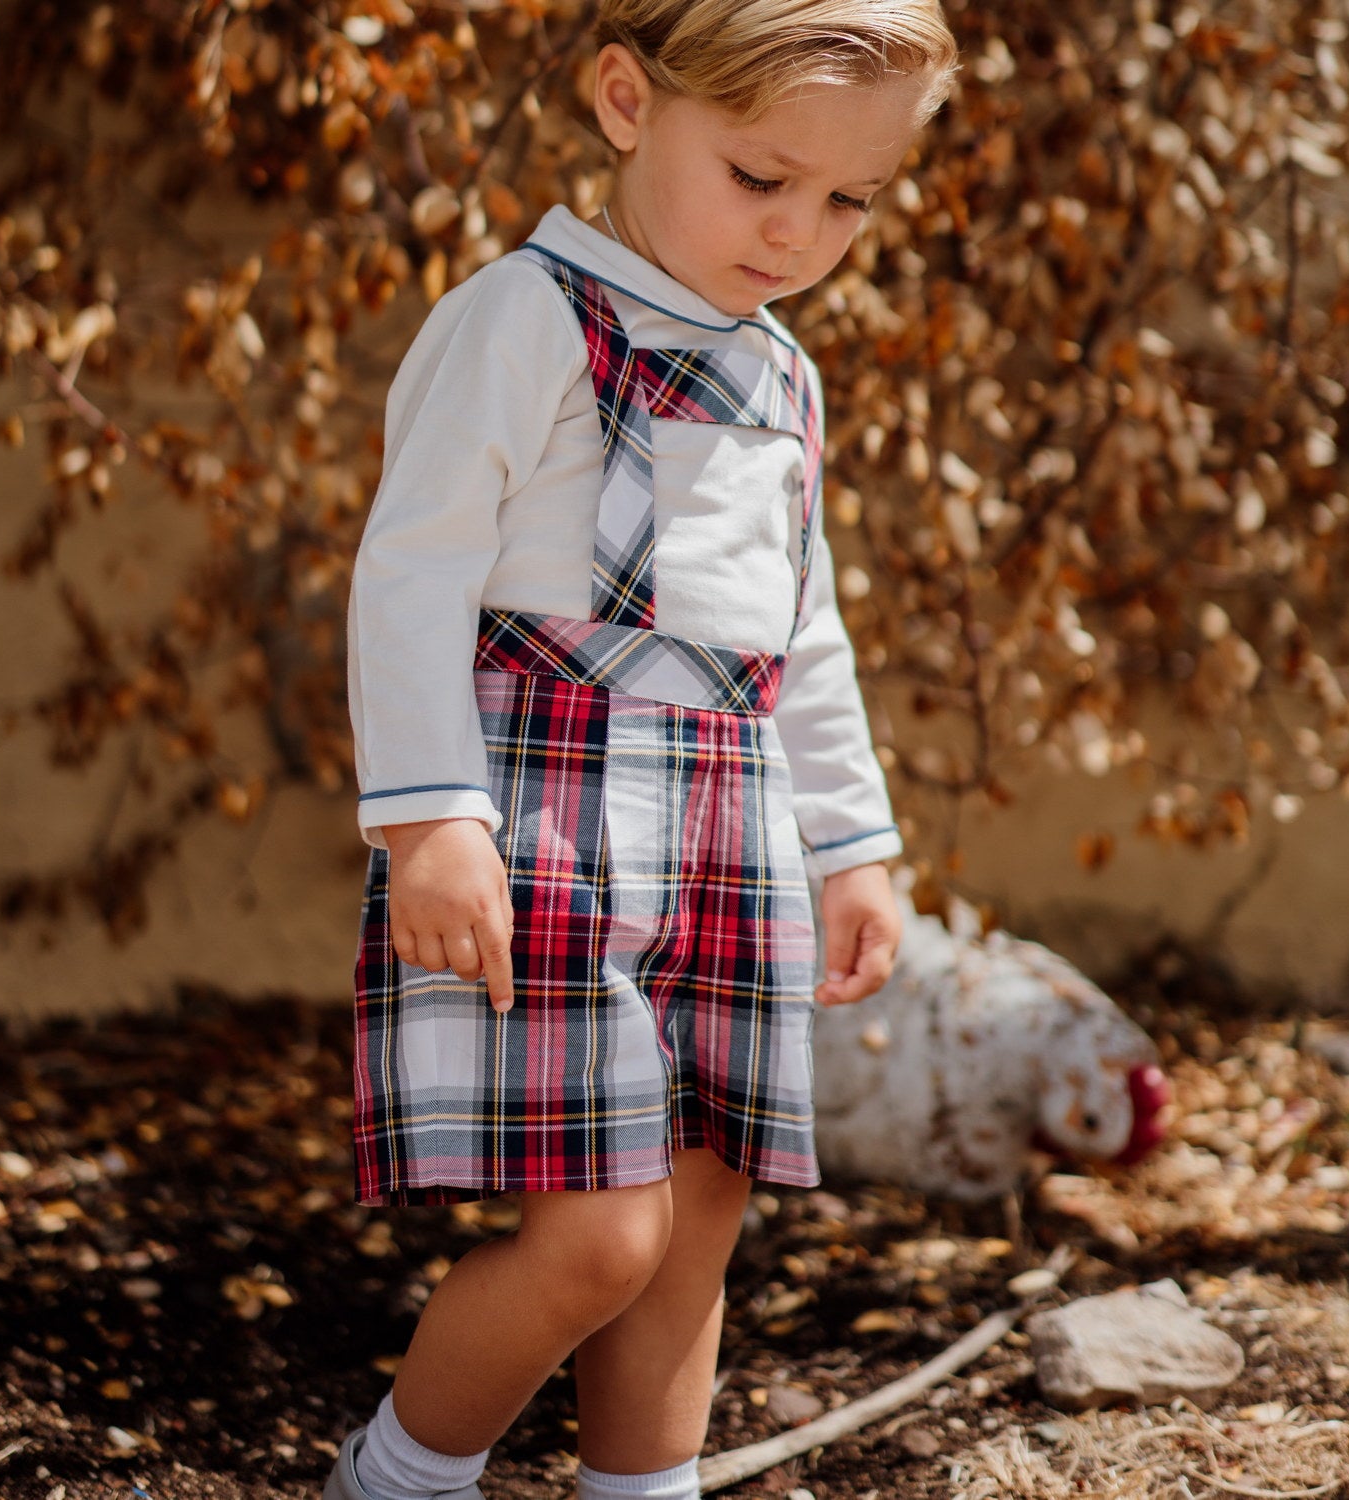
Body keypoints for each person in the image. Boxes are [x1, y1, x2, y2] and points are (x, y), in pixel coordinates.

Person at [327, 2, 959, 1497]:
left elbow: (802, 636)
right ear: (626, 99)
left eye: (849, 200)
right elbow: (410, 567)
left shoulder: (783, 374)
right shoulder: (529, 314)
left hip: (729, 833)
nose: (800, 230)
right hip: (542, 820)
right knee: (597, 1237)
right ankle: (398, 1478)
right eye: (760, 177)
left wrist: (852, 842)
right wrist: (428, 819)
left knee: (694, 1225)